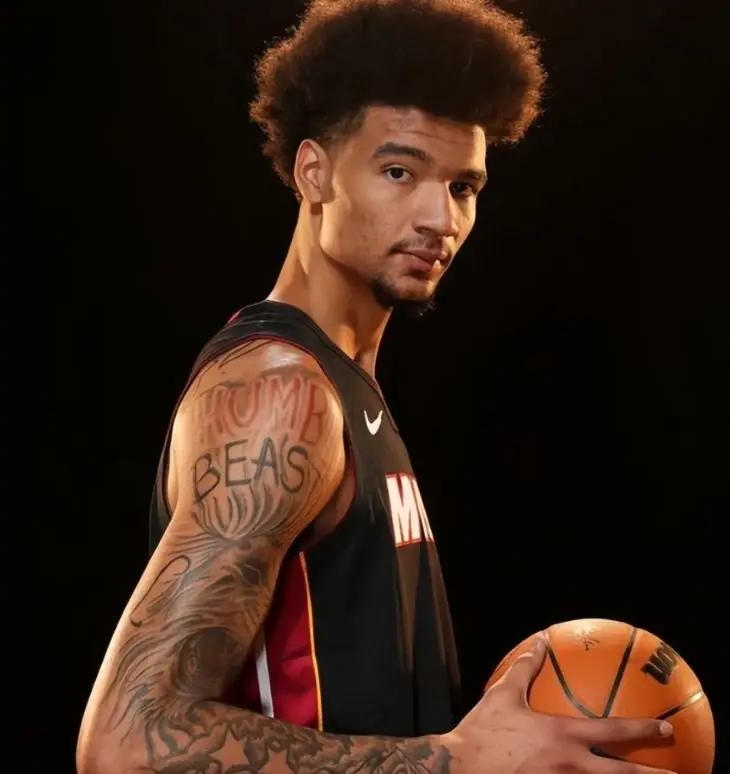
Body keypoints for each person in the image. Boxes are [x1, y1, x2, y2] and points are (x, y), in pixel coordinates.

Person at [77, 1, 676, 771]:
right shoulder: (281, 394)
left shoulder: (345, 384)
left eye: (463, 187)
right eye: (400, 172)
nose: (440, 218)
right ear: (314, 173)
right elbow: (127, 742)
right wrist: (454, 762)